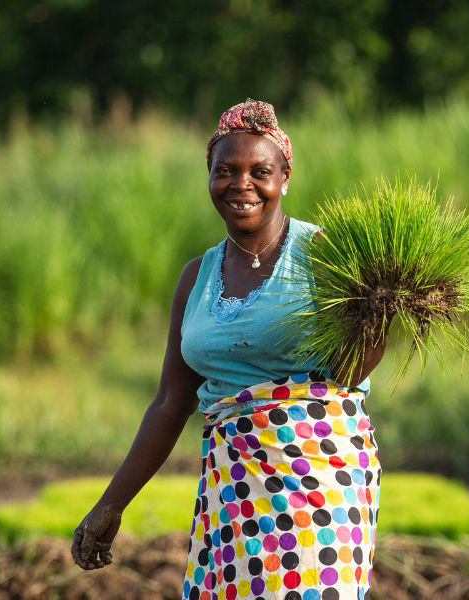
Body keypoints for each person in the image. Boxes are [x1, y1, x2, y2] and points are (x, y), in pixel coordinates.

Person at [71, 99, 388, 600]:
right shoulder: (196, 277)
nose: (241, 184)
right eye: (225, 171)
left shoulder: (325, 254)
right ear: (210, 177)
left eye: (259, 171)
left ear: (285, 178)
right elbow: (170, 402)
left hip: (318, 477)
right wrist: (111, 505)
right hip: (231, 484)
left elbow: (349, 372)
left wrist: (380, 309)